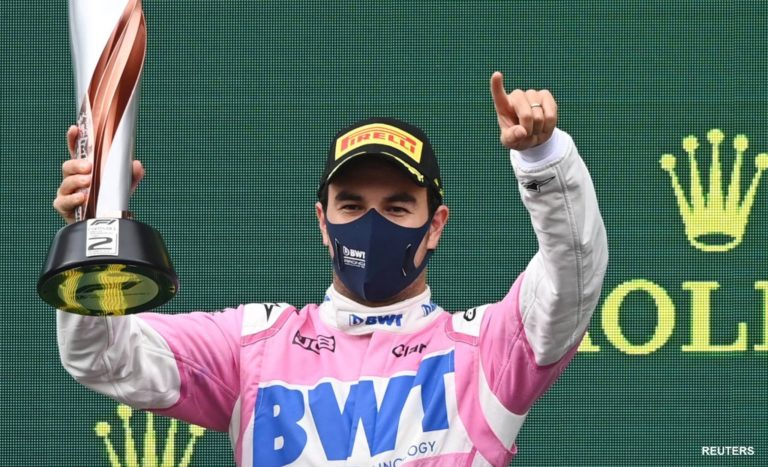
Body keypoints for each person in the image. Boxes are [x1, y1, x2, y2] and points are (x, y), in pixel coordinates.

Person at [53, 72, 608, 466]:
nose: (372, 224)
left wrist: (544, 160)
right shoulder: (253, 348)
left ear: (435, 225)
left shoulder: (485, 352)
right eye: (351, 206)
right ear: (323, 222)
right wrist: (95, 232)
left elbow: (573, 277)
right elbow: (103, 356)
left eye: (396, 208)